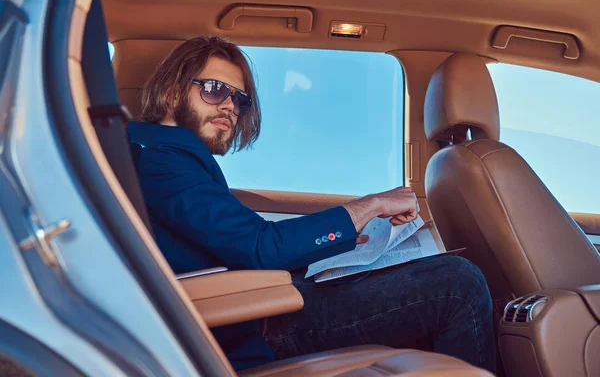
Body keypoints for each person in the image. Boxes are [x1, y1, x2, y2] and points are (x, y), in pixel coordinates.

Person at [127, 36, 496, 373]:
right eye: (213, 89)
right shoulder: (161, 155)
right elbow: (260, 247)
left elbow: (240, 243)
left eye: (239, 99)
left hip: (262, 300)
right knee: (457, 284)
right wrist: (371, 205)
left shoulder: (160, 154)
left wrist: (349, 241)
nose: (229, 107)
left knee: (438, 272)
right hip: (255, 320)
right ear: (174, 92)